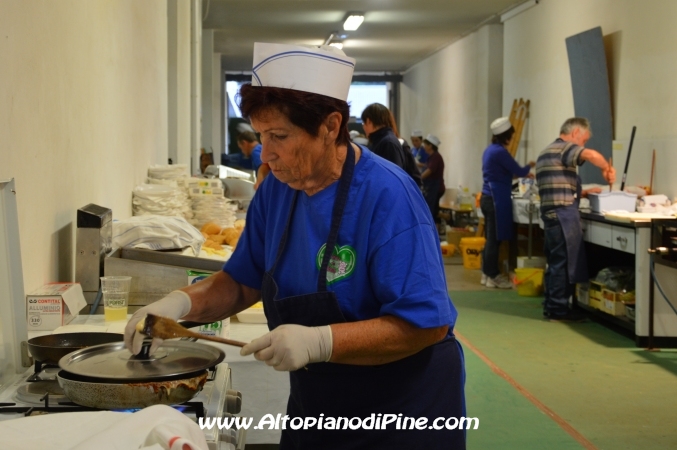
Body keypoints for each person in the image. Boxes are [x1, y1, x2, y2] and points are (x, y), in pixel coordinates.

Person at [125, 42, 466, 449]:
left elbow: (426, 324)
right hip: (321, 401)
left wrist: (321, 341)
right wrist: (175, 306)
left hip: (404, 404)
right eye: (261, 135)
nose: (266, 152)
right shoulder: (277, 190)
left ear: (331, 126)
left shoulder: (389, 196)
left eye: (280, 136)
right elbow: (241, 281)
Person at [536, 117, 615, 322]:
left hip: (552, 214)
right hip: (562, 215)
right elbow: (589, 155)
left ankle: (552, 305)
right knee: (564, 262)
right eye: (584, 140)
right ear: (575, 134)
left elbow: (559, 184)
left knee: (555, 262)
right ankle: (559, 310)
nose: (583, 145)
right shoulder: (565, 148)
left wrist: (587, 193)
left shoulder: (547, 151)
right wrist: (606, 168)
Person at [480, 117, 535, 289]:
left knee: (491, 238)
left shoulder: (490, 150)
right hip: (495, 198)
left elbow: (503, 173)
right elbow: (517, 170)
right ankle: (493, 274)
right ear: (506, 137)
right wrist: (529, 167)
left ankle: (486, 273)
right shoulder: (500, 153)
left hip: (489, 197)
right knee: (494, 239)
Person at [360, 103, 422, 187]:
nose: (363, 127)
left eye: (363, 123)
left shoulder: (388, 143)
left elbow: (392, 179)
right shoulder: (380, 141)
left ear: (369, 121)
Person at [421, 134, 446, 232]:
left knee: (432, 211)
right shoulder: (431, 157)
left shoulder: (436, 157)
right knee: (434, 210)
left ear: (430, 146)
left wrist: (419, 178)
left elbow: (430, 170)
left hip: (436, 188)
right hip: (431, 188)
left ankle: (433, 232)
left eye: (425, 145)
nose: (424, 147)